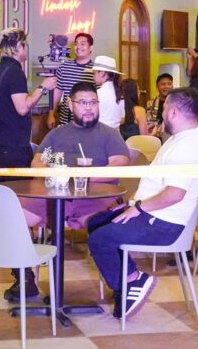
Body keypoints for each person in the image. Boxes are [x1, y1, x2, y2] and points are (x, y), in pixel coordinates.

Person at [86, 87, 198, 319]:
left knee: (100, 238)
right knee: (97, 223)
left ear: (173, 112)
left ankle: (132, 281)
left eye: (164, 109)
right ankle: (127, 281)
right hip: (157, 214)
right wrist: (132, 204)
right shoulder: (185, 138)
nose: (162, 114)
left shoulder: (186, 147)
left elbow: (175, 194)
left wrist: (138, 208)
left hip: (165, 223)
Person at [13, 81, 130, 302]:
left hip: (97, 199)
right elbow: (37, 163)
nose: (89, 107)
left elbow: (119, 163)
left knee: (107, 227)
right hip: (55, 197)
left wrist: (81, 177)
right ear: (70, 104)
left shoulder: (108, 134)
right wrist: (57, 174)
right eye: (83, 103)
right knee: (13, 215)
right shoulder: (57, 135)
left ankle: (120, 284)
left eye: (93, 102)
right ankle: (25, 278)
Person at [0, 28, 55, 170]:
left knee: (5, 183)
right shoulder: (15, 72)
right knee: (19, 183)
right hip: (13, 145)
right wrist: (43, 87)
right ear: (18, 46)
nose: (27, 48)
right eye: (25, 44)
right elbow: (22, 108)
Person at [51, 32, 94, 127]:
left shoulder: (95, 70)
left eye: (82, 44)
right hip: (65, 122)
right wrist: (51, 114)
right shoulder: (64, 67)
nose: (78, 47)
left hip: (87, 123)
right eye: (76, 44)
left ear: (91, 48)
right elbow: (57, 92)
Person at [91, 55, 125, 130]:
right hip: (116, 134)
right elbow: (122, 117)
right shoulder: (120, 92)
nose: (93, 77)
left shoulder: (98, 93)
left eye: (94, 73)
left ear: (102, 73)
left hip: (100, 133)